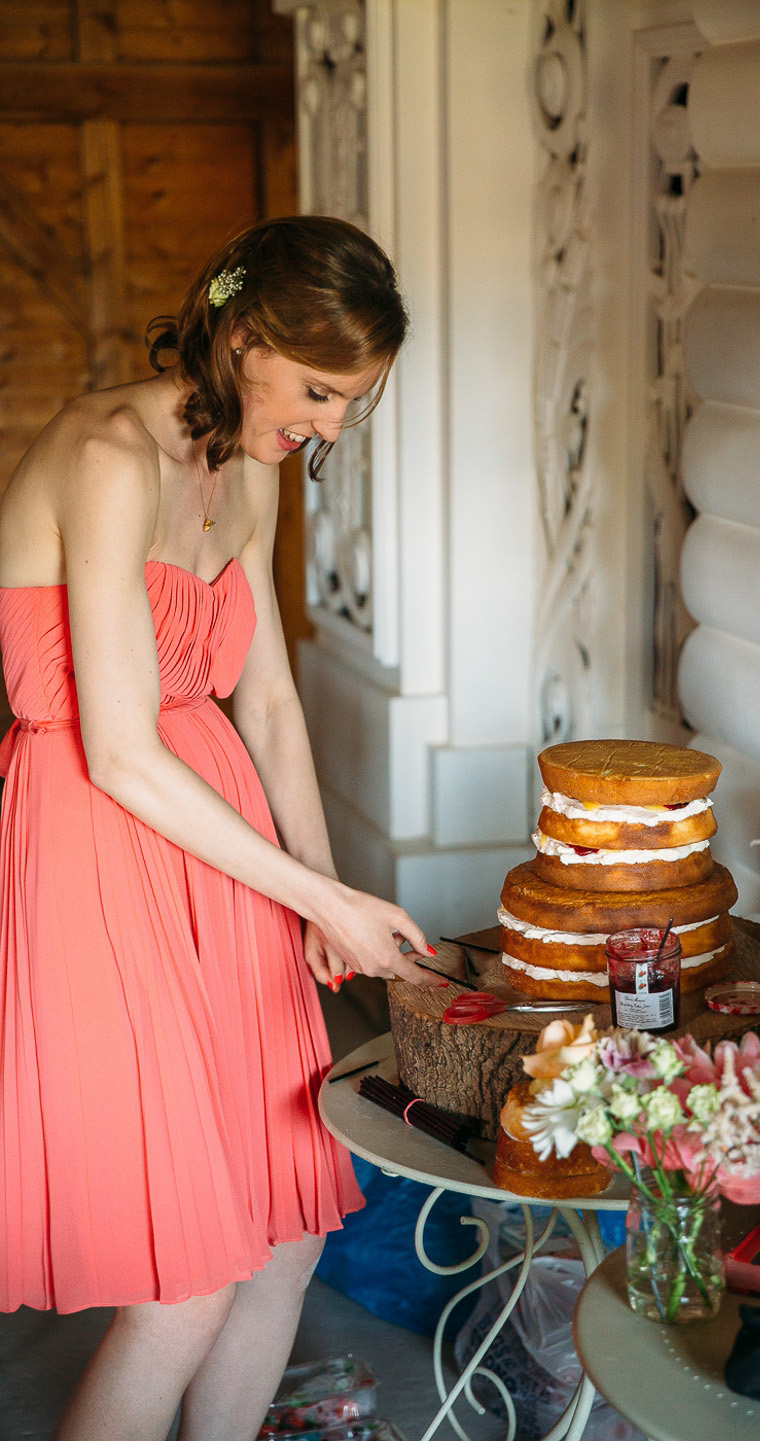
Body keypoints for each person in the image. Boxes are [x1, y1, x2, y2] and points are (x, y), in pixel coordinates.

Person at [0, 215, 445, 1441]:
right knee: (183, 1287)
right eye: (317, 390)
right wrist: (318, 898)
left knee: (289, 1238)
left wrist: (322, 884)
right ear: (240, 332)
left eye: (354, 403)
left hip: (227, 850)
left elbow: (273, 701)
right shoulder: (106, 455)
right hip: (102, 845)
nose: (330, 429)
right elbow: (123, 747)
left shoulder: (247, 466)